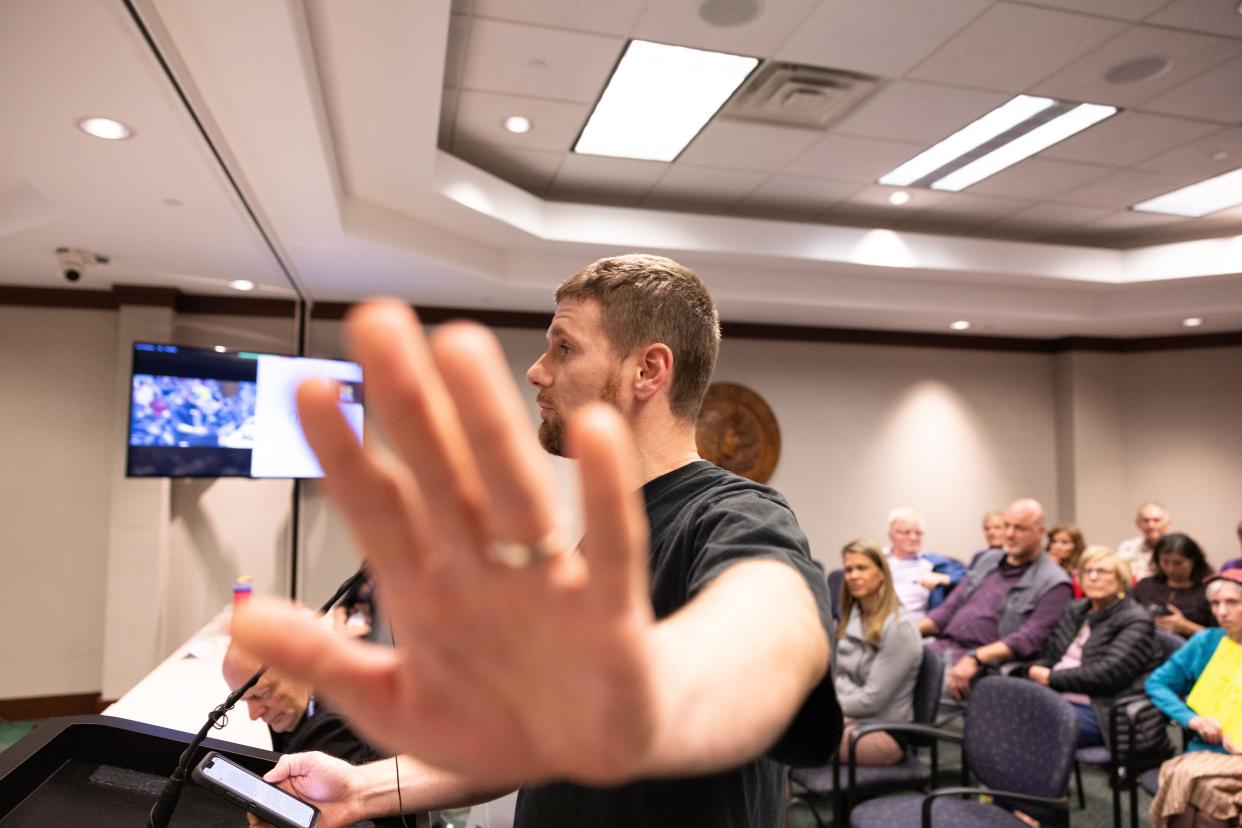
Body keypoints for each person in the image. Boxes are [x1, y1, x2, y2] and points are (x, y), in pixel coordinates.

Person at [228, 254, 840, 827]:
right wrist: (362, 789)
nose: (537, 370)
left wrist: (670, 681)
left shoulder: (733, 511)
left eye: (564, 347)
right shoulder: (597, 544)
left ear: (648, 370)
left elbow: (775, 615)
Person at [918, 498, 1073, 700]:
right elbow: (948, 609)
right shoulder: (988, 560)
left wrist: (975, 658)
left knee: (919, 690)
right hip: (942, 647)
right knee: (888, 669)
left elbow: (1028, 639)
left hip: (985, 664)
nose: (1008, 534)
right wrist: (906, 633)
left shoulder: (1055, 582)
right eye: (1006, 526)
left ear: (1040, 532)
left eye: (1019, 528)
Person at [1016, 547, 1164, 751]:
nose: (1093, 577)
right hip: (1055, 695)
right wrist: (1034, 668)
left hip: (1102, 708)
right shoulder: (1075, 609)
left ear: (1121, 580)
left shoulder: (1135, 619)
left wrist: (1051, 678)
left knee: (1029, 731)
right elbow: (1050, 653)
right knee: (1002, 713)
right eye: (1087, 571)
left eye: (1103, 571)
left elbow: (1108, 674)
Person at [1146, 571, 1242, 828]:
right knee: (1193, 806)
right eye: (1215, 603)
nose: (1222, 612)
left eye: (1233, 603)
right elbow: (1158, 683)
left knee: (1192, 795)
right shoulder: (1206, 642)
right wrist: (1193, 719)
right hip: (1205, 750)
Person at [834, 539, 922, 766]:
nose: (853, 575)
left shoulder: (899, 629)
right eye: (849, 569)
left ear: (882, 573)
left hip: (883, 731)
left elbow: (871, 701)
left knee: (789, 739)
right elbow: (837, 675)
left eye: (861, 568)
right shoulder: (852, 616)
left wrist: (827, 705)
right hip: (850, 718)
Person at [222, 645, 381, 765]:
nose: (253, 714)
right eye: (245, 700)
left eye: (262, 694)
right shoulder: (295, 708)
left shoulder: (337, 730)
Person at [883, 507, 966, 621]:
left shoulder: (930, 562)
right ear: (891, 535)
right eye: (906, 532)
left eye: (918, 533)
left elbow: (969, 575)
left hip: (913, 627)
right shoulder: (877, 559)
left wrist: (944, 578)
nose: (913, 538)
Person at [1133, 533, 1216, 638]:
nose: (1170, 569)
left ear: (1193, 561)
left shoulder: (1209, 591)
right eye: (1165, 562)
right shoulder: (1146, 585)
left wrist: (1187, 627)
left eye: (1178, 563)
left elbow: (1224, 638)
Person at [1118, 501, 1172, 581]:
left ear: (1167, 523)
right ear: (1138, 523)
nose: (1151, 525)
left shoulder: (1177, 549)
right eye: (1146, 520)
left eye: (1156, 520)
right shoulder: (1127, 547)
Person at [1047, 523, 1086, 598]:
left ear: (1076, 546)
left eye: (1064, 542)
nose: (1057, 546)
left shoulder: (1081, 570)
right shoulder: (1041, 566)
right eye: (1054, 541)